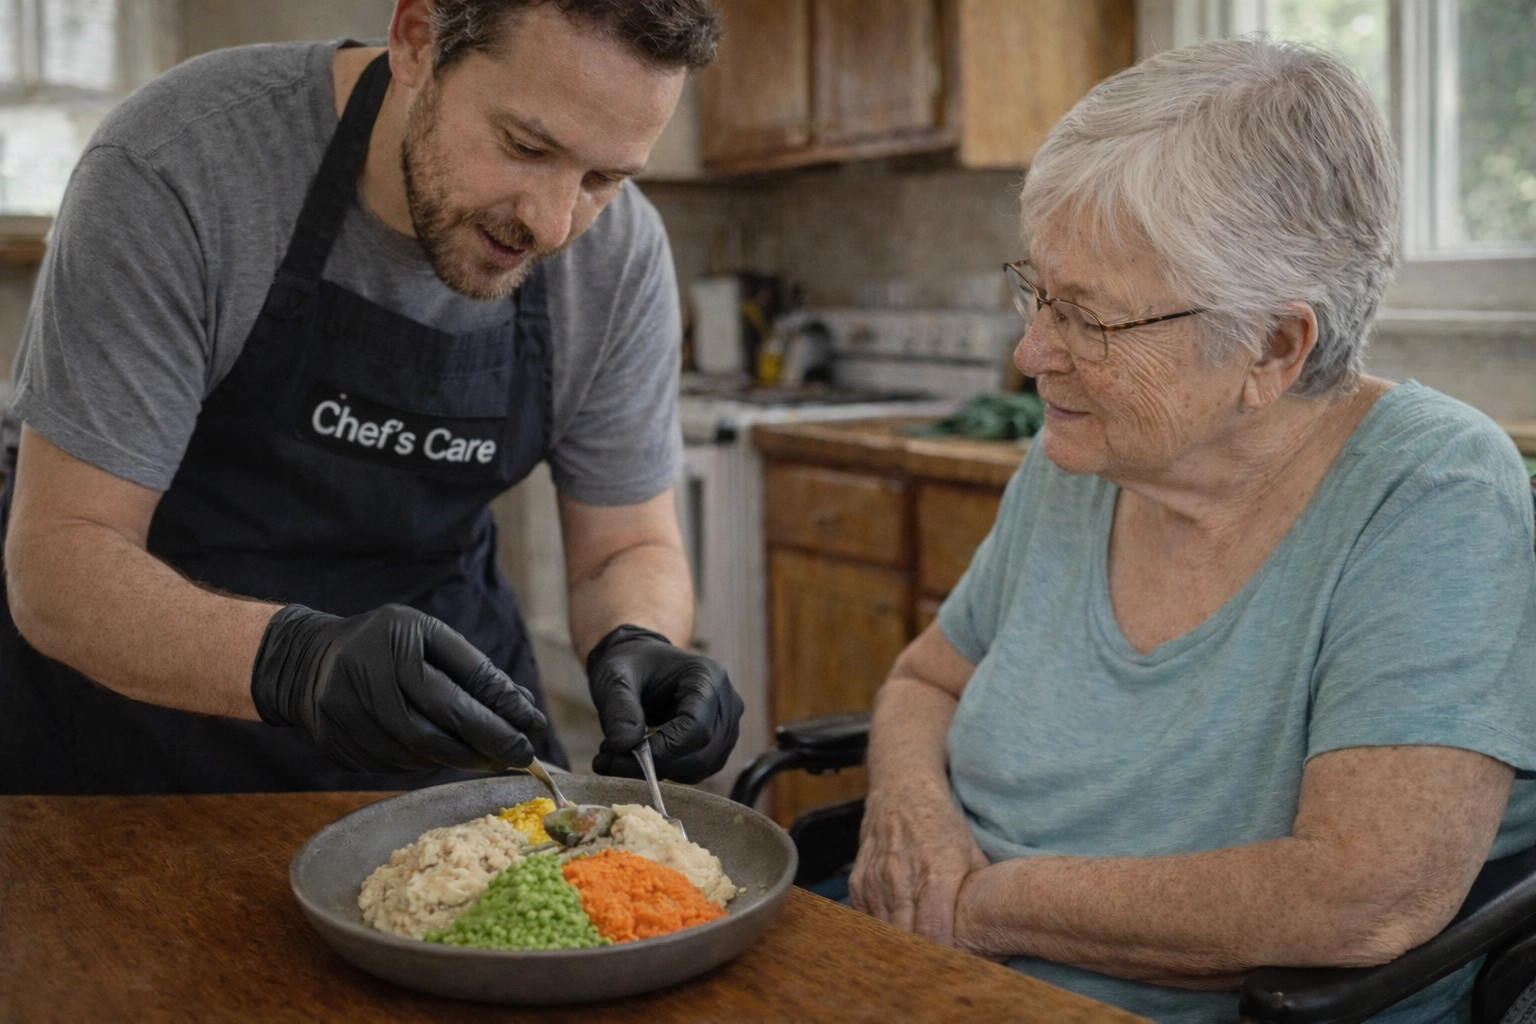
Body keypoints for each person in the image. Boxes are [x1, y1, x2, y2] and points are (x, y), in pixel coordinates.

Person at [849, 38, 1536, 1024]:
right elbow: (925, 680)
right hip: (927, 969)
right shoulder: (1084, 455)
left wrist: (988, 905)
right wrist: (911, 810)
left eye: (1089, 318)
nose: (1031, 350)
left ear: (1272, 345)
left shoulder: (1433, 489)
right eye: (1038, 290)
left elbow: (1362, 896)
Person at [0, 0, 743, 795]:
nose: (553, 225)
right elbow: (58, 562)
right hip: (141, 746)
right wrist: (296, 661)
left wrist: (643, 640)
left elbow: (626, 547)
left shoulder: (618, 258)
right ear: (416, 39)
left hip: (438, 728)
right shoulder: (182, 163)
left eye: (603, 179)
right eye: (525, 147)